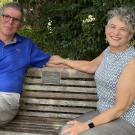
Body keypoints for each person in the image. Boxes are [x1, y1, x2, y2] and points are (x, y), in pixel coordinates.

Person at [49, 7, 135, 135]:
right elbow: (91, 65)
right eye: (113, 27)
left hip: (125, 121)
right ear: (106, 29)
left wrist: (85, 126)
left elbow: (120, 108)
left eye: (123, 29)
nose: (116, 33)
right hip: (103, 114)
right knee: (65, 131)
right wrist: (64, 61)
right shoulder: (108, 52)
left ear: (130, 35)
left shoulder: (132, 61)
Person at [0, 2, 60, 126]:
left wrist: (89, 65)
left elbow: (51, 61)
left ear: (20, 25)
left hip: (6, 99)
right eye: (6, 16)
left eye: (15, 19)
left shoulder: (26, 45)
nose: (10, 22)